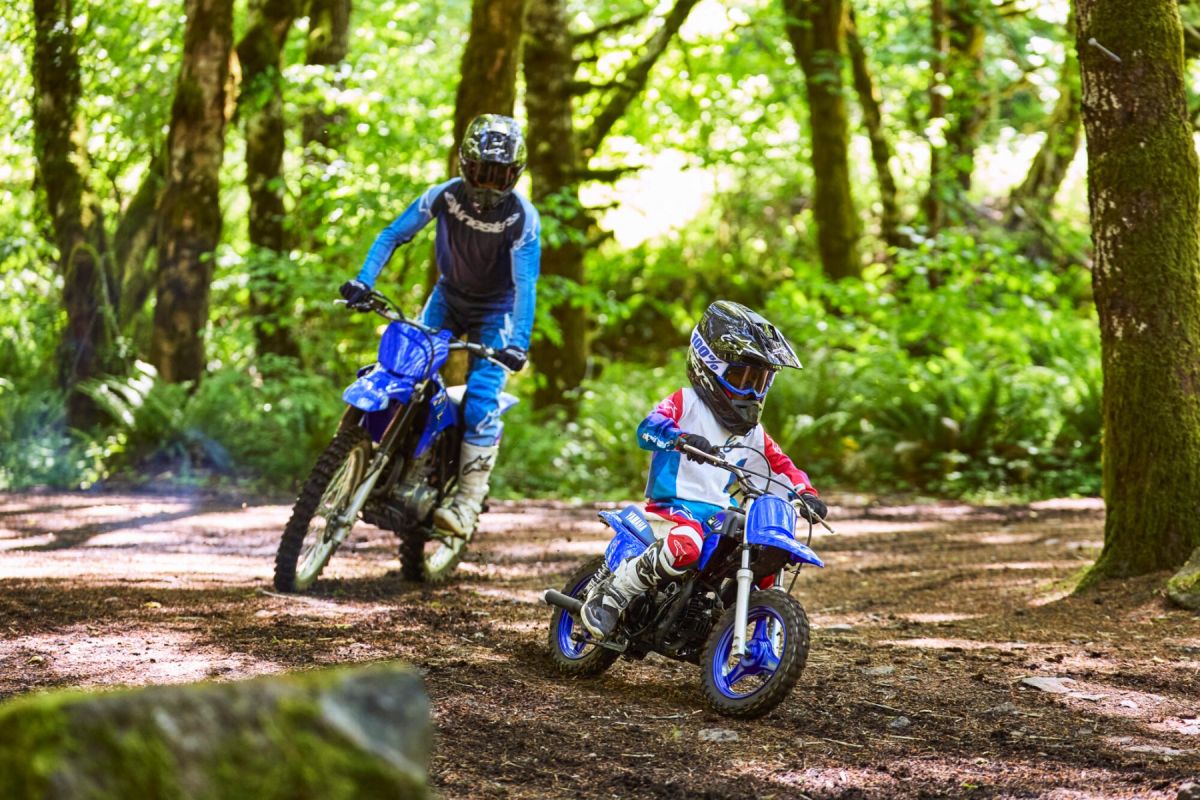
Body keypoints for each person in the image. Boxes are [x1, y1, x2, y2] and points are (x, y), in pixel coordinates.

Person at [340, 114, 540, 539]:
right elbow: (393, 234)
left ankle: (466, 502)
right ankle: (393, 461)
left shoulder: (524, 218)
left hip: (498, 311)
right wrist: (364, 282)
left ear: (514, 175)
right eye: (481, 173)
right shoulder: (443, 196)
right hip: (447, 298)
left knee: (482, 399)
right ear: (465, 166)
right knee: (404, 372)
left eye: (499, 176)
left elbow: (525, 284)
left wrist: (518, 344)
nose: (488, 186)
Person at [581, 301, 828, 640]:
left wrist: (805, 494)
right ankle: (613, 595)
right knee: (686, 545)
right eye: (742, 377)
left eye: (761, 381)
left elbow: (780, 467)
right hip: (673, 508)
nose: (752, 391)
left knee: (760, 554)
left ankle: (720, 622)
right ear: (710, 367)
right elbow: (648, 428)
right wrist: (680, 438)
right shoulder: (686, 403)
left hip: (719, 513)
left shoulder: (752, 434)